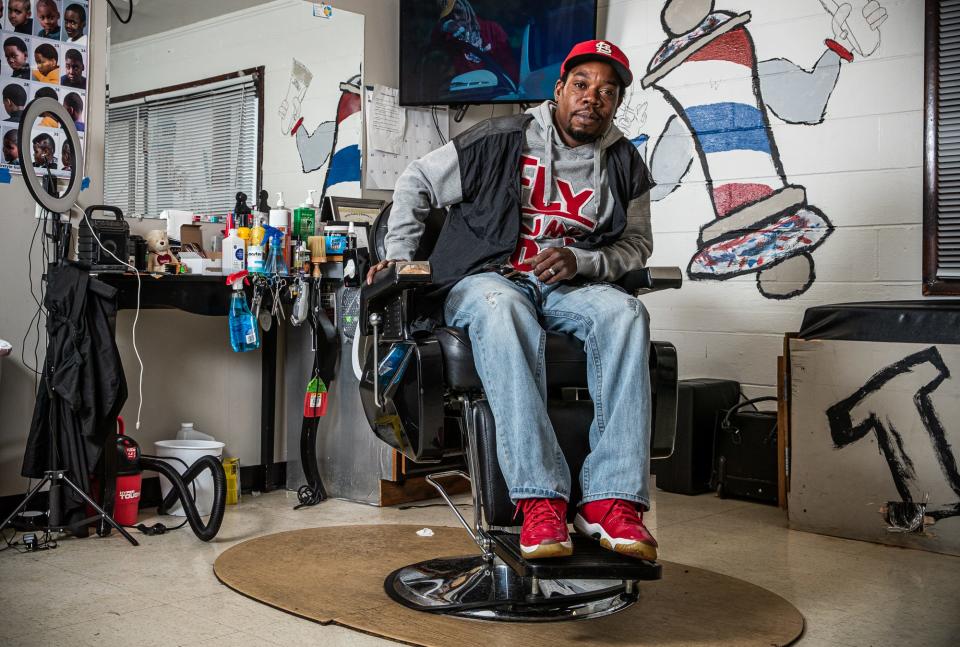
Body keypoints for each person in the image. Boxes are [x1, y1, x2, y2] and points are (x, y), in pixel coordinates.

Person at [369, 40, 658, 561]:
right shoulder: (502, 137)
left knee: (627, 312)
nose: (592, 98)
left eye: (607, 92)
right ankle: (540, 499)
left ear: (616, 104)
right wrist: (397, 259)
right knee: (507, 310)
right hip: (487, 281)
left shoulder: (624, 163)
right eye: (582, 85)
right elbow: (415, 181)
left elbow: (636, 245)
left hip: (568, 288)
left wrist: (584, 262)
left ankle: (611, 500)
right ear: (559, 89)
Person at [426, 0, 518, 91]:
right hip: (467, 93)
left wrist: (508, 89)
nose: (456, 18)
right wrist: (444, 27)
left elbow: (509, 66)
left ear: (468, 8)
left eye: (458, 12)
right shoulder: (450, 38)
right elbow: (432, 41)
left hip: (497, 91)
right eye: (450, 15)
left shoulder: (492, 29)